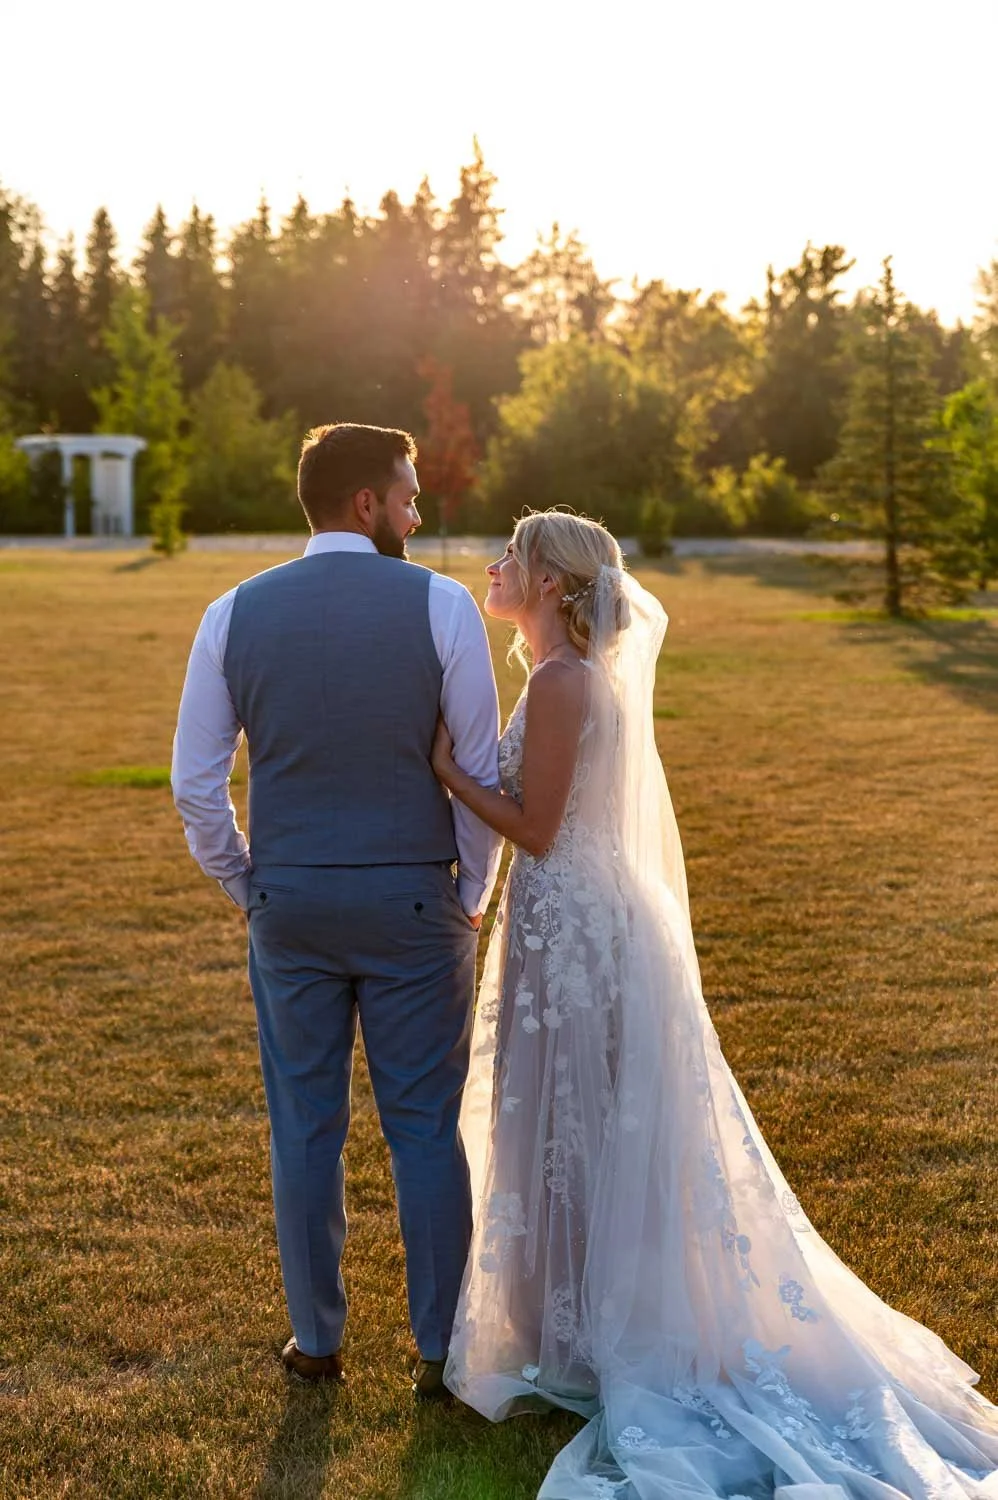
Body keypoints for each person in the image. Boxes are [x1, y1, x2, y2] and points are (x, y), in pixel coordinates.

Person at [432, 509, 998, 1497]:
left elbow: (537, 826)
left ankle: (591, 1331)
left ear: (553, 587)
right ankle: (560, 1324)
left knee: (588, 1125)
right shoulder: (559, 677)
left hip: (580, 932)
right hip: (570, 925)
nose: (493, 564)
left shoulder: (564, 683)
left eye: (512, 556)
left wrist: (445, 773)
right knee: (575, 1127)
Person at [171, 422, 503, 1395]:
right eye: (404, 496)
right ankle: (439, 1352)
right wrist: (468, 897)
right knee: (422, 1129)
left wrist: (246, 883)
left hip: (292, 903)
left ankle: (316, 1342)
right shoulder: (441, 606)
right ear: (364, 504)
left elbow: (197, 784)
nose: (412, 511)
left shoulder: (231, 611)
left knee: (304, 1127)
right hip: (412, 900)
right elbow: (474, 772)